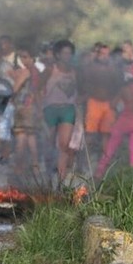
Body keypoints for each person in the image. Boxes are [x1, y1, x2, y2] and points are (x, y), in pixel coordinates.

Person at [95, 64, 133, 179]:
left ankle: (99, 172)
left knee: (110, 149)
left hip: (124, 121)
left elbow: (113, 105)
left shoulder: (124, 89)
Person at [41, 39, 78, 184]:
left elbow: (80, 89)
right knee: (49, 143)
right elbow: (37, 88)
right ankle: (49, 173)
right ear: (57, 54)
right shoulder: (50, 69)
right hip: (50, 108)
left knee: (64, 144)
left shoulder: (75, 71)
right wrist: (39, 107)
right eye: (64, 53)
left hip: (68, 109)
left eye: (69, 53)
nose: (67, 56)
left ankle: (61, 180)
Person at [10, 47, 42, 178]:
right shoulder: (36, 71)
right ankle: (35, 167)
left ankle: (19, 167)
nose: (23, 60)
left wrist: (10, 98)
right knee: (31, 138)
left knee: (21, 138)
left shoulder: (25, 72)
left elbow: (15, 89)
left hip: (23, 108)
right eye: (21, 57)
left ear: (32, 57)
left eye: (25, 57)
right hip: (33, 107)